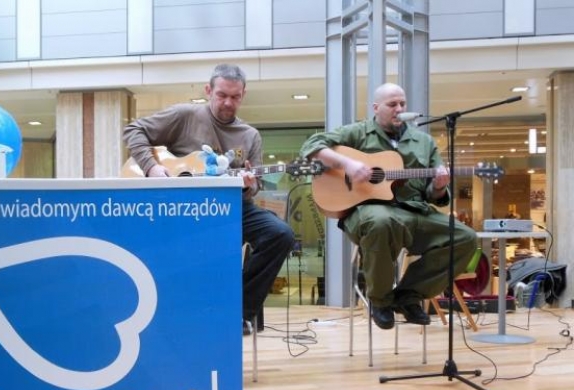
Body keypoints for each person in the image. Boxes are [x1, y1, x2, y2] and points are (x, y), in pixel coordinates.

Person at [123, 63, 295, 335]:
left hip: (233, 209)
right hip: (183, 210)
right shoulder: (185, 115)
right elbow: (133, 130)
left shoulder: (249, 135)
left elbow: (255, 185)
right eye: (222, 95)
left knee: (281, 235)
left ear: (243, 95)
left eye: (235, 97)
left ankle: (238, 312)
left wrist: (248, 185)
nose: (228, 102)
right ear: (208, 90)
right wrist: (152, 167)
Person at [300, 82, 477, 329]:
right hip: (369, 210)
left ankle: (408, 295)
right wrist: (347, 164)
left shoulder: (424, 142)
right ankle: (380, 300)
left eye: (402, 103)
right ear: (376, 107)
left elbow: (435, 195)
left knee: (465, 237)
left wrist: (439, 185)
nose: (399, 109)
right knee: (381, 221)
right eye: (392, 104)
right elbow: (311, 146)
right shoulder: (358, 133)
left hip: (415, 210)